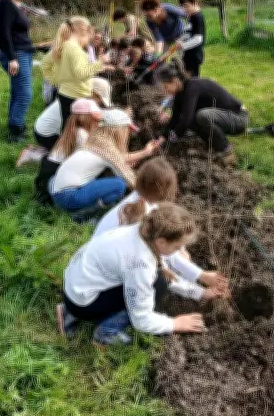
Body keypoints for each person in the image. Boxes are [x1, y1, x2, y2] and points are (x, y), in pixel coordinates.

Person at [59, 204, 228, 344]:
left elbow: (167, 259)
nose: (179, 251)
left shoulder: (144, 230)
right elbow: (141, 319)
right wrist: (174, 324)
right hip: (82, 303)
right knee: (159, 285)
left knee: (159, 279)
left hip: (74, 288)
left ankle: (69, 313)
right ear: (161, 242)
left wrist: (201, 287)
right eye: (178, 247)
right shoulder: (139, 263)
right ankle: (106, 332)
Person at [94, 158, 230, 293]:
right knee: (160, 284)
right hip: (104, 278)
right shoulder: (142, 218)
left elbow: (162, 248)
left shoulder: (139, 203)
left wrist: (180, 250)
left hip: (95, 263)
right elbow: (159, 264)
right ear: (168, 191)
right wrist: (201, 283)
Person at [48, 109, 159, 219]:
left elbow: (117, 158)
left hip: (54, 187)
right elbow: (131, 179)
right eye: (127, 129)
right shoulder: (108, 150)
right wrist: (154, 202)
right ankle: (82, 215)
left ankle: (74, 208)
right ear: (119, 130)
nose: (128, 133)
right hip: (68, 197)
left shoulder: (95, 139)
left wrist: (144, 152)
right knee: (119, 184)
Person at [157, 64, 248, 166]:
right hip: (222, 118)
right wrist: (161, 140)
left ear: (174, 81)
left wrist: (174, 138)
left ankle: (227, 152)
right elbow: (175, 119)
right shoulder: (179, 94)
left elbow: (186, 120)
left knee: (202, 116)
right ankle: (213, 146)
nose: (165, 91)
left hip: (238, 117)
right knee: (192, 118)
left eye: (165, 87)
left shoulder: (193, 87)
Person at [40, 17, 110, 128]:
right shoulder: (76, 50)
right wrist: (100, 62)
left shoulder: (63, 45)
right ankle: (71, 145)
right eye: (89, 37)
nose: (88, 41)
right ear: (83, 33)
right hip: (78, 95)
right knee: (77, 128)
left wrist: (55, 80)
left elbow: (45, 64)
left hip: (64, 93)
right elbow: (81, 74)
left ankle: (65, 144)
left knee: (67, 126)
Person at [0, 0, 36, 142]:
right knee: (25, 94)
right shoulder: (6, 4)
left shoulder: (16, 5)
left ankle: (15, 126)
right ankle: (15, 131)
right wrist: (12, 58)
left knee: (17, 92)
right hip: (16, 54)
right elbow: (4, 33)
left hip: (22, 52)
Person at [34, 99, 103, 202]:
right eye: (96, 120)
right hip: (54, 178)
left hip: (49, 171)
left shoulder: (72, 130)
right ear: (86, 118)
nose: (98, 123)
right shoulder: (81, 135)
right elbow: (93, 157)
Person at [178, 0, 206, 77]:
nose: (184, 9)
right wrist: (181, 39)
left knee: (192, 80)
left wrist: (182, 45)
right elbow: (189, 32)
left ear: (195, 2)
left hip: (194, 56)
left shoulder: (198, 17)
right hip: (187, 55)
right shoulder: (191, 16)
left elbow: (198, 39)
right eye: (182, 6)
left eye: (186, 6)